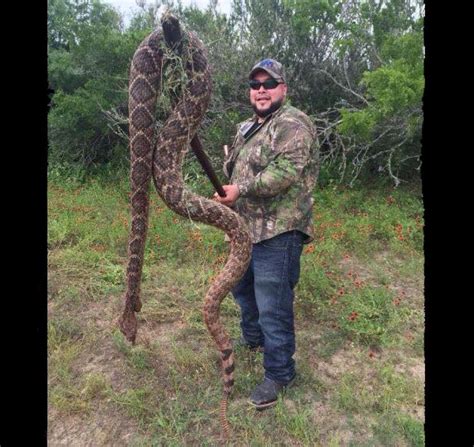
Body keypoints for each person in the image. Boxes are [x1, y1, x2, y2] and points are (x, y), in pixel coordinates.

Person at [213, 58, 319, 410]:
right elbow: (235, 171)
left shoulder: (292, 123)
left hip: (279, 232)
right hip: (245, 230)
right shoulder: (246, 128)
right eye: (255, 84)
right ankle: (254, 340)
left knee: (273, 304)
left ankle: (279, 372)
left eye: (268, 83)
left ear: (282, 89)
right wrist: (228, 194)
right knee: (243, 291)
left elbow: (284, 173)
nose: (261, 89)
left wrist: (239, 189)